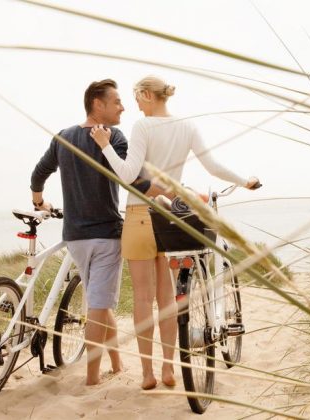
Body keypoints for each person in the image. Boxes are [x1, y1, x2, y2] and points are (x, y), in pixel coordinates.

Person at [90, 75, 260, 390]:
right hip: (171, 217)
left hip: (140, 215)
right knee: (168, 298)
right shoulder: (188, 126)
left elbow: (127, 176)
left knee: (143, 298)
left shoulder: (142, 127)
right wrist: (244, 181)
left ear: (145, 94)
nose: (135, 105)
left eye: (136, 98)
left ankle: (147, 374)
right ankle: (169, 370)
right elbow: (212, 166)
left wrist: (105, 147)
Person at [30, 79, 128, 386]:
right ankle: (91, 378)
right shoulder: (116, 137)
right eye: (116, 102)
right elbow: (127, 176)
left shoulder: (64, 138)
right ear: (98, 105)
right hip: (105, 235)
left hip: (74, 236)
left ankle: (116, 363)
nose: (122, 107)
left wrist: (39, 201)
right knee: (98, 304)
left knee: (100, 302)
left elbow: (38, 173)